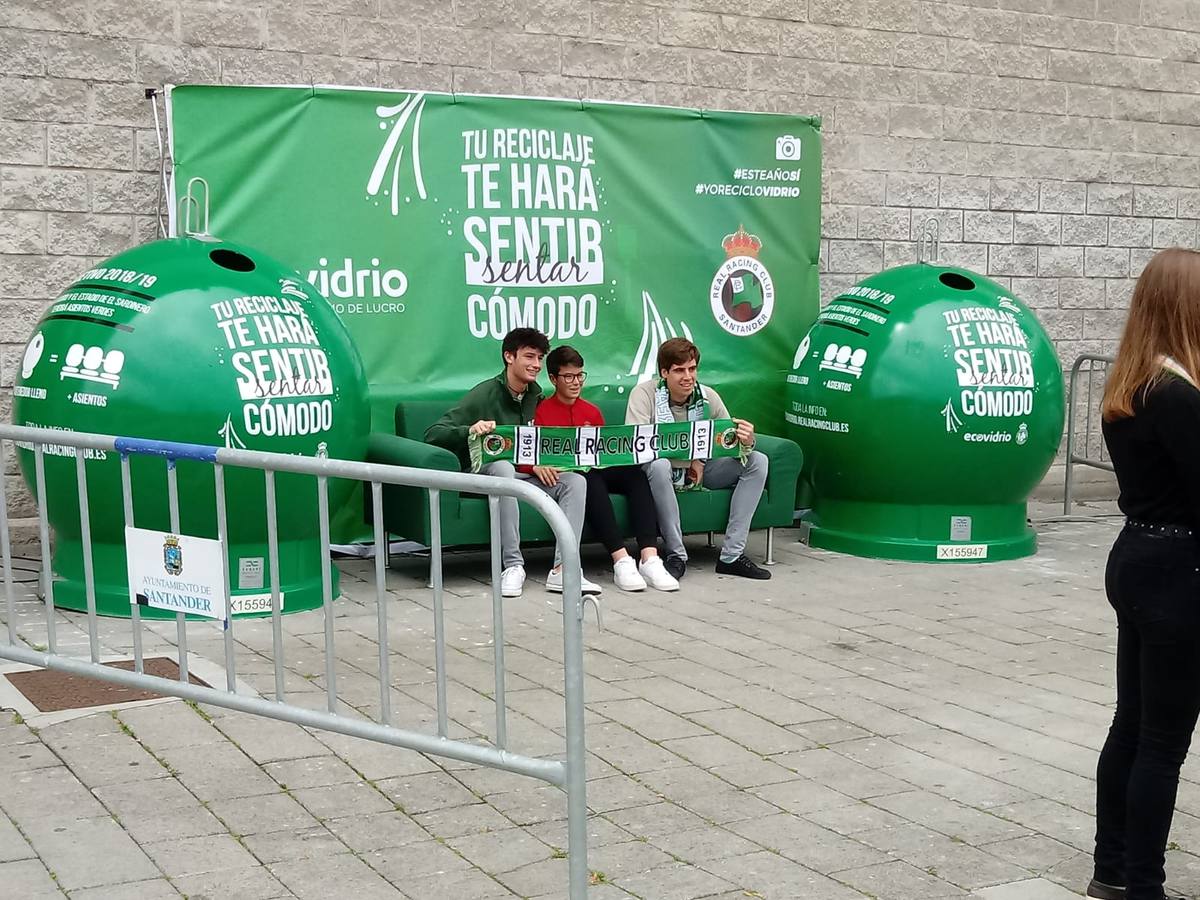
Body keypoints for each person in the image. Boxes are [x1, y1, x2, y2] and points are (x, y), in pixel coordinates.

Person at [1089, 247, 1200, 900]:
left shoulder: (1130, 385)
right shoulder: (1176, 394)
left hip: (1137, 556)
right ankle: (1143, 885)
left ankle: (1112, 868)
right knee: (1162, 741)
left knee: (1131, 725)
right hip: (1177, 567)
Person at [424, 327, 600, 599]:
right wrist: (471, 429)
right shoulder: (485, 393)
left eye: (540, 358)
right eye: (529, 356)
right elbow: (434, 433)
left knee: (575, 480)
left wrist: (540, 464)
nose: (536, 364)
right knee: (504, 466)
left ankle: (563, 569)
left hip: (524, 477)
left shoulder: (536, 396)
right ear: (509, 356)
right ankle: (514, 566)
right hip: (486, 474)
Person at [526, 346, 679, 593]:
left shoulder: (591, 411)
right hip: (568, 474)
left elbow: (603, 453)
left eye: (580, 376)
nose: (576, 383)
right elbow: (532, 451)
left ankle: (649, 558)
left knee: (635, 476)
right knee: (588, 477)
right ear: (553, 379)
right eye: (568, 377)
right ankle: (621, 560)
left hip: (595, 467)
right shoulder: (542, 412)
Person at [624, 337, 770, 581]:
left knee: (757, 460)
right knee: (659, 465)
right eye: (679, 370)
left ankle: (731, 556)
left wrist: (746, 441)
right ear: (664, 372)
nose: (688, 376)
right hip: (661, 470)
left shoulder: (708, 396)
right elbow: (636, 444)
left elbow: (726, 440)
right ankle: (676, 554)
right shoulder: (644, 394)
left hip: (701, 470)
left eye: (692, 369)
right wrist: (684, 455)